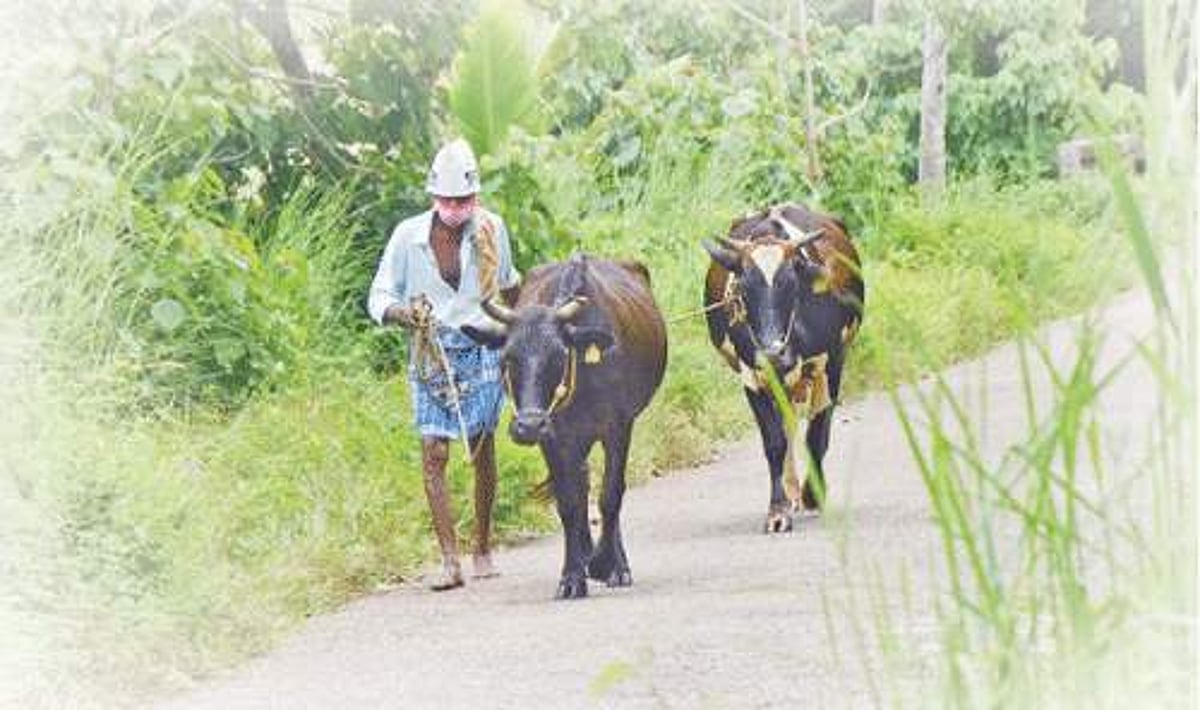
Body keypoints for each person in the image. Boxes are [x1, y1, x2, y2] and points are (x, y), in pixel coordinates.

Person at [368, 139, 520, 591]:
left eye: (464, 201)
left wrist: (520, 338)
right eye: (448, 201)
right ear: (434, 198)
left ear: (475, 198)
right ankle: (449, 559)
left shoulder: (492, 228)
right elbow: (378, 296)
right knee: (434, 451)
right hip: (430, 348)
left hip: (482, 342)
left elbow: (509, 286)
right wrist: (402, 314)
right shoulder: (407, 237)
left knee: (481, 446)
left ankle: (483, 547)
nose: (456, 209)